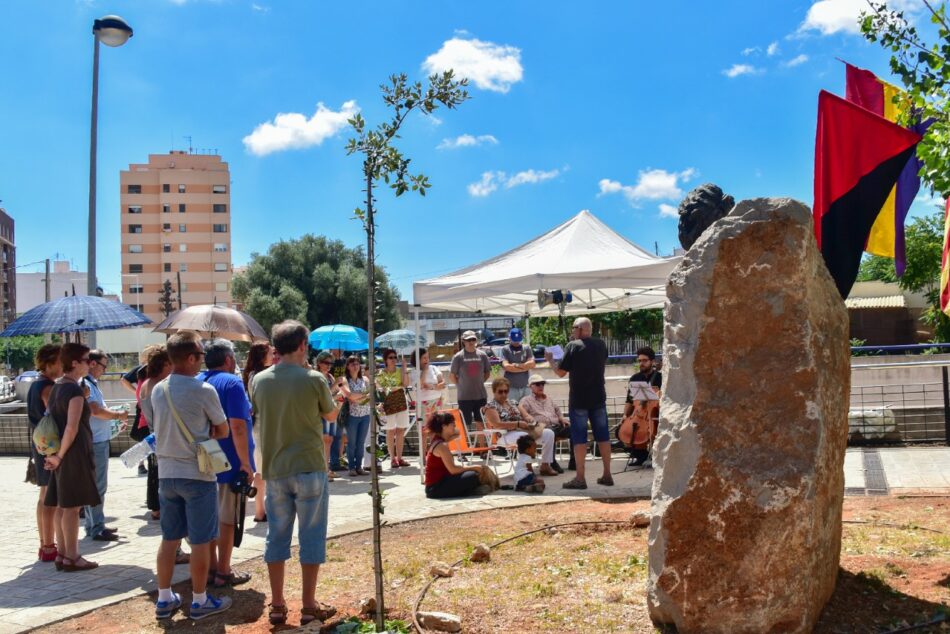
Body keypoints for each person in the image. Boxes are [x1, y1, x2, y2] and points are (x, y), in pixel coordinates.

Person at [251, 320, 338, 626]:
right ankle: (309, 605)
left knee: (277, 536)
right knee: (311, 536)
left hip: (275, 469)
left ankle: (277, 604)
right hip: (310, 466)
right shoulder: (315, 379)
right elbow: (330, 414)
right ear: (303, 345)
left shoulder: (258, 380)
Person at [145, 332, 232, 621]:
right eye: (201, 355)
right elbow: (222, 430)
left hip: (167, 474)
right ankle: (199, 600)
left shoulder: (158, 389)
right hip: (197, 474)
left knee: (169, 539)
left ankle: (165, 597)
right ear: (191, 357)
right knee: (200, 541)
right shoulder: (204, 390)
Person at [198, 339, 254, 589]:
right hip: (229, 460)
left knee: (209, 517)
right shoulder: (231, 383)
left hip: (203, 458)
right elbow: (238, 426)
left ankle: (210, 568)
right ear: (229, 360)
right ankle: (223, 570)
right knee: (227, 518)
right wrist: (245, 463)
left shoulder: (198, 380)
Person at [43, 343, 101, 572]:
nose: (91, 363)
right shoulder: (74, 391)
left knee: (61, 505)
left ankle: (64, 554)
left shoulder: (58, 387)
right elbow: (72, 427)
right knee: (72, 507)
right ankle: (73, 556)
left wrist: (56, 455)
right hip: (73, 453)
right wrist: (60, 456)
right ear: (75, 363)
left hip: (61, 452)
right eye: (87, 360)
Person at [548, 317, 612, 489]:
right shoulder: (601, 345)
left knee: (579, 439)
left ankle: (580, 478)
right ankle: (607, 474)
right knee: (603, 436)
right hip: (599, 397)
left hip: (579, 400)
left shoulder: (573, 346)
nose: (572, 331)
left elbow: (560, 372)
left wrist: (551, 360)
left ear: (581, 329)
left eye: (574, 328)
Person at [83, 349, 129, 542]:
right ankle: (97, 527)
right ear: (92, 363)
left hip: (96, 439)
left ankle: (93, 524)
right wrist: (117, 415)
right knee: (97, 486)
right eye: (103, 365)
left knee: (93, 486)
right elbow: (96, 411)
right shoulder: (86, 384)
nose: (105, 369)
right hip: (96, 442)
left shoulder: (91, 384)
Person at [27, 344, 62, 563]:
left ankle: (45, 544)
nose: (63, 366)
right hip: (49, 447)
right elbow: (55, 414)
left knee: (43, 497)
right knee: (51, 499)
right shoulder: (47, 387)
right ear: (49, 364)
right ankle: (49, 545)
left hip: (39, 445)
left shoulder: (34, 384)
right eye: (60, 361)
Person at [482, 377, 557, 476]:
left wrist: (530, 420)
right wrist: (517, 424)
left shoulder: (513, 403)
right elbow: (497, 424)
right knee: (525, 437)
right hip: (504, 435)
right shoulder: (490, 406)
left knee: (549, 433)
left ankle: (545, 465)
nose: (504, 394)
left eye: (506, 391)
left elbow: (525, 415)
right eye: (500, 392)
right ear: (494, 391)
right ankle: (527, 467)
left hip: (522, 430)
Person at [242, 341, 274, 523]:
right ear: (262, 355)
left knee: (261, 469)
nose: (273, 355)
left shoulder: (252, 374)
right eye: (270, 352)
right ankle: (261, 510)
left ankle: (261, 510)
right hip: (264, 425)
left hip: (259, 424)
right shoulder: (260, 375)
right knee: (262, 470)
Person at [424, 412, 490, 499]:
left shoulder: (439, 440)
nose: (455, 425)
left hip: (437, 485)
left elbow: (458, 432)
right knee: (473, 475)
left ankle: (465, 490)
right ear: (444, 426)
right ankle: (467, 491)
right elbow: (453, 470)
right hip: (435, 489)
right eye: (452, 424)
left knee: (470, 474)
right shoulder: (441, 446)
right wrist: (474, 467)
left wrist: (450, 428)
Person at [121, 344, 162, 475]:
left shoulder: (140, 371)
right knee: (148, 440)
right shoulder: (149, 374)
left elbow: (124, 380)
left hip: (144, 411)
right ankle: (141, 464)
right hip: (149, 413)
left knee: (146, 439)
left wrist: (136, 393)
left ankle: (140, 464)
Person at [518, 374, 569, 473]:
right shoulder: (526, 401)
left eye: (542, 384)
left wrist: (562, 418)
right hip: (543, 428)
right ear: (530, 386)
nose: (541, 386)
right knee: (550, 432)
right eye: (537, 384)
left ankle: (573, 462)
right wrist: (532, 421)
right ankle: (551, 462)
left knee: (574, 428)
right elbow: (524, 416)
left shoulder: (549, 399)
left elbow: (558, 410)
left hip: (557, 425)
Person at [623, 346, 662, 468]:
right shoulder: (635, 379)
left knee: (653, 428)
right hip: (639, 413)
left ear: (652, 362)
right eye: (639, 361)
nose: (641, 363)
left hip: (657, 414)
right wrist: (625, 415)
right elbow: (629, 400)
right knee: (625, 431)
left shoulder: (660, 378)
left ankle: (656, 456)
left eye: (644, 360)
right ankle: (641, 456)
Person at [448, 331, 491, 441]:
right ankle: (462, 451)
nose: (471, 342)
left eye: (473, 339)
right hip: (464, 397)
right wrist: (461, 385)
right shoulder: (458, 357)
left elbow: (487, 373)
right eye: (468, 340)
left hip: (480, 395)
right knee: (462, 424)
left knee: (480, 422)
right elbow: (452, 376)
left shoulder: (483, 355)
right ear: (463, 341)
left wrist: (479, 381)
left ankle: (482, 450)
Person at [377, 348, 411, 469]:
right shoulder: (381, 373)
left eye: (394, 357)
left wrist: (405, 368)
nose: (393, 359)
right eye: (390, 357)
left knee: (401, 430)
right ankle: (392, 459)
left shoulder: (400, 370)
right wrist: (398, 386)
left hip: (401, 402)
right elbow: (382, 389)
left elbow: (406, 384)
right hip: (389, 404)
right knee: (390, 431)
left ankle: (400, 458)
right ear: (385, 360)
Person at [339, 355, 371, 477]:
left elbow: (369, 395)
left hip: (365, 415)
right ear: (347, 366)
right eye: (352, 363)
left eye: (357, 363)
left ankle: (359, 467)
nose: (355, 366)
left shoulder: (365, 380)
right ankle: (351, 467)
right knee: (351, 443)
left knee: (361, 442)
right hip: (352, 415)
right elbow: (348, 395)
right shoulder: (345, 379)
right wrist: (361, 396)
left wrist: (356, 397)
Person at [411, 348, 445, 456]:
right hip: (423, 404)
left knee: (435, 430)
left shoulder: (434, 368)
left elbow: (442, 384)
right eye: (424, 358)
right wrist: (424, 371)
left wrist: (431, 387)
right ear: (418, 359)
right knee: (423, 431)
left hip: (436, 401)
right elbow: (420, 385)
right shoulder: (414, 372)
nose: (427, 360)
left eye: (427, 357)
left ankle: (434, 455)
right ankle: (423, 457)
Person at [315, 351, 341, 480]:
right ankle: (323, 469)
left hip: (331, 410)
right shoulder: (318, 376)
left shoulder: (329, 376)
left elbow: (333, 394)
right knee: (324, 440)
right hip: (322, 412)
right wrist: (336, 385)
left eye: (331, 363)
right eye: (326, 363)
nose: (329, 365)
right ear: (319, 363)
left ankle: (326, 467)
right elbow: (323, 395)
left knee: (329, 440)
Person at [500, 327, 535, 403]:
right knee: (513, 411)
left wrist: (516, 365)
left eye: (518, 340)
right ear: (509, 338)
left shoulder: (527, 348)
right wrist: (525, 367)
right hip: (511, 388)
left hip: (526, 386)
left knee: (527, 410)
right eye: (514, 340)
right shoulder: (505, 349)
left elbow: (532, 364)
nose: (516, 343)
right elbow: (507, 367)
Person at [327, 349, 347, 472]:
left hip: (341, 400)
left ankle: (337, 460)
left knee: (339, 434)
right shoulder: (328, 366)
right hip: (330, 402)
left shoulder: (344, 361)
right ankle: (332, 462)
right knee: (330, 436)